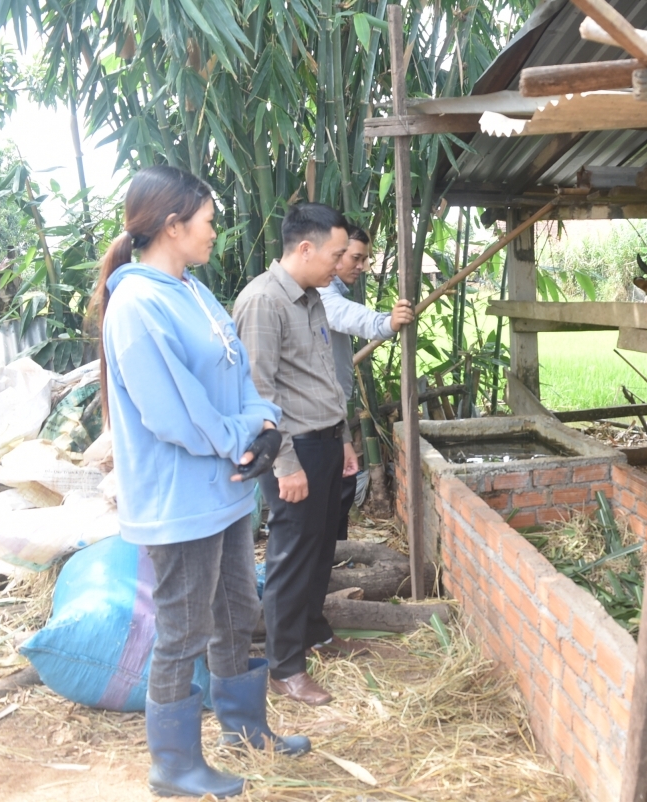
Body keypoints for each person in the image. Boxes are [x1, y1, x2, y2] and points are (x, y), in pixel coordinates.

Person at [97, 165, 309, 799]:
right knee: (184, 628)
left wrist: (264, 423)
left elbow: (238, 371)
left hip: (224, 490)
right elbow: (174, 413)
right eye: (209, 221)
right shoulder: (136, 304)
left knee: (237, 611)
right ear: (172, 225)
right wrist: (241, 439)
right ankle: (174, 766)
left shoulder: (191, 289)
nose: (216, 232)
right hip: (178, 500)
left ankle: (244, 729)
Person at [233, 203, 360, 707]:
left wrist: (345, 437)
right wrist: (285, 464)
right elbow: (255, 392)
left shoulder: (312, 298)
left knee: (321, 548)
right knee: (291, 557)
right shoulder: (263, 302)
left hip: (326, 440)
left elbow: (324, 378)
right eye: (335, 254)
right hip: (295, 449)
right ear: (304, 248)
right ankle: (285, 667)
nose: (340, 263)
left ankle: (312, 633)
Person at [318, 224, 414, 530]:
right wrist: (386, 323)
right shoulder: (319, 292)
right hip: (314, 418)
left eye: (365, 259)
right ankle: (328, 566)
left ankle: (336, 561)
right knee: (328, 499)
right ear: (334, 254)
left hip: (331, 414)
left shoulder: (327, 291)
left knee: (339, 494)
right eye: (356, 258)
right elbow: (341, 313)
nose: (363, 266)